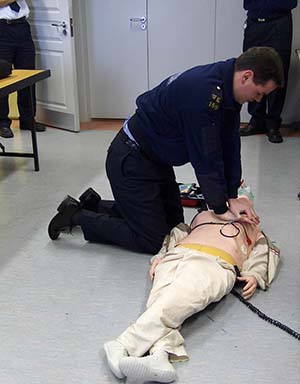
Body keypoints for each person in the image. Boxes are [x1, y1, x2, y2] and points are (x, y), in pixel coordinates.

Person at [48, 46, 283, 255]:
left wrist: (232, 195)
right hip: (131, 159)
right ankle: (75, 215)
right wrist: (220, 208)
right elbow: (206, 157)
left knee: (174, 226)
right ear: (246, 76)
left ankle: (93, 204)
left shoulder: (228, 93)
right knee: (152, 240)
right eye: (259, 93)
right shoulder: (204, 94)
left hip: (156, 160)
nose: (257, 100)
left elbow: (231, 146)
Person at [103, 188, 280, 383]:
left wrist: (254, 274)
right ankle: (159, 355)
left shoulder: (253, 230)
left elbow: (262, 253)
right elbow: (175, 235)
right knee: (164, 302)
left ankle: (123, 344)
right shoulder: (202, 216)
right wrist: (161, 256)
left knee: (175, 300)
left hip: (215, 262)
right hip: (177, 255)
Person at [240, 0, 298, 143]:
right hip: (254, 20)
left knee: (277, 70)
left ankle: (273, 124)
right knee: (252, 68)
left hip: (279, 22)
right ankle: (256, 120)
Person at [0, 0, 46, 138]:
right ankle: (2, 123)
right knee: (3, 78)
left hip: (22, 26)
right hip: (2, 28)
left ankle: (27, 119)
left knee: (28, 75)